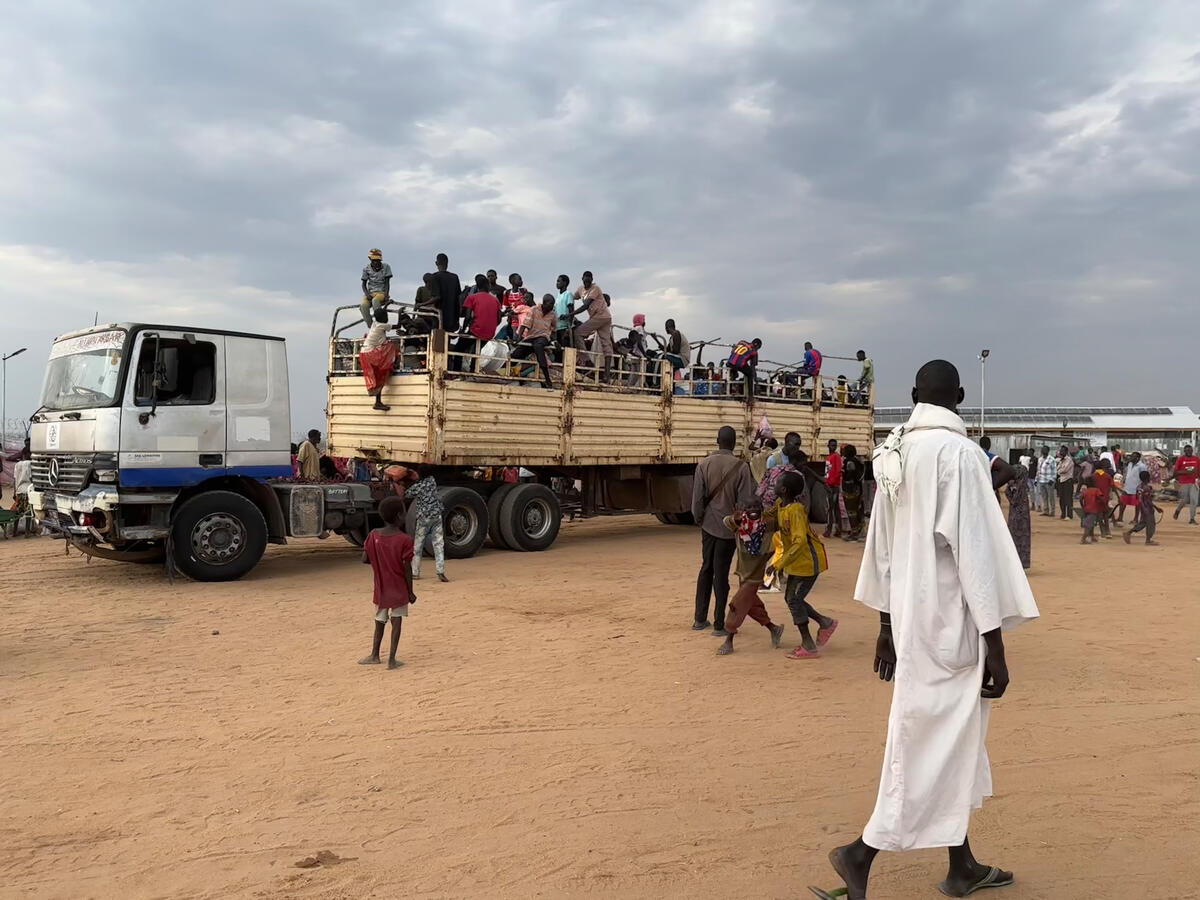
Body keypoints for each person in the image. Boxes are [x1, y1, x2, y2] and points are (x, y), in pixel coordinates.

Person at [817, 359, 1038, 900]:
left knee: (949, 738)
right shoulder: (960, 455)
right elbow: (976, 556)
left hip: (913, 622)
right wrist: (996, 645)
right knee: (927, 742)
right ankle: (859, 853)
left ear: (915, 394)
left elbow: (883, 548)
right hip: (952, 626)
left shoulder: (896, 451)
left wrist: (887, 627)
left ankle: (961, 866)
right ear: (959, 396)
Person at [691, 426, 754, 636]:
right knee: (722, 574)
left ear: (718, 440)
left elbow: (697, 499)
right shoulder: (741, 467)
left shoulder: (704, 464)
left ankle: (700, 618)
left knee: (706, 568)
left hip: (708, 525)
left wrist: (700, 518)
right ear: (734, 443)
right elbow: (745, 502)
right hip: (729, 529)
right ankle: (719, 624)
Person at [772, 471, 836, 659]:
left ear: (783, 489)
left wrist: (778, 564)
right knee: (792, 598)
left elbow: (799, 541)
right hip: (797, 563)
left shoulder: (796, 510)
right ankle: (825, 623)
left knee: (793, 600)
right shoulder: (780, 505)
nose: (773, 485)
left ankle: (808, 645)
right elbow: (767, 515)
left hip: (808, 563)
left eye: (776, 483)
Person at [716, 497, 785, 655]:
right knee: (751, 605)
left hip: (755, 575)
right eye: (749, 506)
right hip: (743, 573)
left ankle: (729, 640)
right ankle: (773, 629)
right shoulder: (740, 524)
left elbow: (782, 516)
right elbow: (726, 521)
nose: (753, 509)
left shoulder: (768, 523)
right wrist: (736, 517)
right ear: (743, 509)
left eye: (756, 506)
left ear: (762, 508)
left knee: (737, 605)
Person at [360, 496, 415, 669]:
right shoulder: (405, 540)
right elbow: (408, 569)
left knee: (379, 621)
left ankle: (375, 655)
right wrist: (410, 592)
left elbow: (365, 559)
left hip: (381, 588)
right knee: (396, 621)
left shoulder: (373, 535)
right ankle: (392, 659)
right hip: (398, 589)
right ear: (399, 515)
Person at [401, 468, 449, 581]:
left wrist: (402, 484)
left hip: (424, 518)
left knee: (418, 546)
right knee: (438, 544)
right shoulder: (432, 481)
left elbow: (406, 494)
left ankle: (415, 572)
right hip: (436, 516)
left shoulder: (419, 486)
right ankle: (440, 571)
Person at [567, 271, 614, 375]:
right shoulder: (580, 289)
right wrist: (564, 299)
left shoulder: (595, 288)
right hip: (603, 317)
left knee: (578, 333)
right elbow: (572, 297)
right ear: (582, 279)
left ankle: (587, 361)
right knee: (606, 345)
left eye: (589, 280)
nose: (587, 282)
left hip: (601, 316)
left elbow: (586, 305)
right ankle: (607, 376)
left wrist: (570, 314)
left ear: (592, 280)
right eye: (585, 280)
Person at [510, 294, 558, 389]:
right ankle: (504, 371)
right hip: (531, 336)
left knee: (538, 346)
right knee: (517, 353)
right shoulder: (534, 310)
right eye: (550, 304)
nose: (552, 306)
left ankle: (547, 378)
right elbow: (525, 324)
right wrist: (519, 338)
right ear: (544, 303)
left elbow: (554, 329)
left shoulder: (553, 314)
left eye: (553, 304)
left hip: (543, 337)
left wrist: (555, 341)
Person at [458, 274, 503, 370]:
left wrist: (464, 329)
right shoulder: (495, 300)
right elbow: (499, 318)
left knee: (459, 348)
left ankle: (455, 370)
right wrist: (492, 325)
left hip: (476, 330)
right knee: (476, 350)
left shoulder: (472, 297)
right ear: (488, 286)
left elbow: (467, 316)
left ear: (477, 286)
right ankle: (473, 370)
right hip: (490, 332)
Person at [359, 309, 396, 411]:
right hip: (370, 354)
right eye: (386, 316)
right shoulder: (381, 326)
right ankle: (391, 363)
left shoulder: (375, 324)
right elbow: (397, 325)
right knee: (390, 346)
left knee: (378, 376)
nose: (387, 318)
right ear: (384, 317)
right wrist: (401, 314)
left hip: (364, 354)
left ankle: (378, 402)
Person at [1123, 470, 1159, 546]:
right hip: (1147, 508)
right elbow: (1146, 500)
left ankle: (1128, 533)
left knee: (1143, 523)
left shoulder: (1139, 487)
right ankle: (1148, 540)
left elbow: (1140, 499)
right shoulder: (1147, 488)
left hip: (1143, 507)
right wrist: (1152, 507)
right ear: (1148, 478)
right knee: (1150, 524)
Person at [359, 248, 393, 328]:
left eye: (377, 260)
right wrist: (367, 294)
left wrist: (386, 295)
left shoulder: (386, 267)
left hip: (381, 292)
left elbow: (387, 283)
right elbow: (363, 284)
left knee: (375, 301)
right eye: (373, 260)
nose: (375, 262)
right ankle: (371, 326)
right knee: (363, 306)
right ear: (370, 260)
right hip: (370, 292)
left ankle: (380, 323)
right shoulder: (366, 269)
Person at [430, 252, 463, 335]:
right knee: (447, 341)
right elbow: (459, 296)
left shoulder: (434, 277)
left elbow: (436, 297)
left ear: (436, 263)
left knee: (437, 342)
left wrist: (421, 304)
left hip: (439, 318)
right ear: (447, 263)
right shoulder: (455, 277)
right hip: (452, 317)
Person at [841, 445, 866, 541]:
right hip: (858, 489)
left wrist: (847, 481)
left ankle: (854, 532)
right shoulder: (858, 461)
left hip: (851, 490)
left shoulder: (849, 462)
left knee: (851, 511)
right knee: (858, 509)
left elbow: (849, 474)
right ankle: (860, 531)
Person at [1116, 452, 1147, 526]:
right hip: (1127, 487)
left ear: (1137, 458)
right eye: (1131, 456)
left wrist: (1142, 487)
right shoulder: (1129, 464)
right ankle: (1120, 517)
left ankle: (1135, 519)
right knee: (1122, 502)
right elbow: (1127, 473)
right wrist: (1123, 481)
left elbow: (1144, 477)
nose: (1130, 458)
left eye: (1133, 457)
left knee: (1137, 504)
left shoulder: (1142, 466)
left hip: (1137, 487)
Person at [1172, 444, 1199, 524]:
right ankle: (1178, 510)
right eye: (1187, 450)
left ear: (1192, 451)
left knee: (1194, 500)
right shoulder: (1180, 459)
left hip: (1194, 482)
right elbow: (1176, 472)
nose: (1189, 452)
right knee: (1185, 499)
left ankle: (1192, 519)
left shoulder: (1196, 459)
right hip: (1184, 482)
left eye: (1190, 450)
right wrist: (1187, 472)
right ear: (1184, 451)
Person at [822, 439, 843, 538]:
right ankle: (838, 529)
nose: (833, 447)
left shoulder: (836, 457)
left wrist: (831, 483)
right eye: (831, 445)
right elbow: (827, 471)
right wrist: (826, 481)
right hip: (829, 485)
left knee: (831, 508)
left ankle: (829, 530)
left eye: (834, 445)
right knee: (834, 508)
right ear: (828, 446)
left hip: (833, 486)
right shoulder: (829, 457)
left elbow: (838, 471)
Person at [1093, 458, 1115, 539]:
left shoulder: (1094, 475)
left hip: (1097, 498)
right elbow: (1112, 486)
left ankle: (1102, 532)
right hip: (1105, 499)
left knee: (1099, 516)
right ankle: (1108, 531)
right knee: (1106, 516)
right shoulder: (1108, 476)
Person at [1080, 476, 1105, 544]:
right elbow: (1101, 498)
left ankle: (1092, 536)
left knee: (1090, 524)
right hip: (1093, 510)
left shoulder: (1085, 491)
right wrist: (1102, 502)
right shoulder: (1096, 490)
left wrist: (1083, 506)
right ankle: (1083, 539)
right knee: (1088, 525)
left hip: (1086, 509)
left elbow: (1080, 499)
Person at [1035, 446, 1057, 517]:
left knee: (1051, 497)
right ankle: (1046, 511)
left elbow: (1054, 470)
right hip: (1041, 480)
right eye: (1042, 449)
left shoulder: (1052, 459)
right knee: (1044, 497)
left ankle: (1052, 511)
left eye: (1044, 450)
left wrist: (1052, 479)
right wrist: (1036, 479)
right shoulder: (1040, 459)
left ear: (1048, 451)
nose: (1043, 451)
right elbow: (1038, 470)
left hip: (1049, 481)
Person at [1056, 445, 1075, 520]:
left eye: (1062, 451)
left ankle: (1069, 515)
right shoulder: (1061, 460)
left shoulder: (1069, 460)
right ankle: (1063, 514)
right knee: (1062, 499)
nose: (1061, 452)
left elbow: (1064, 470)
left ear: (1066, 452)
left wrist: (1059, 471)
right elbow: (1058, 469)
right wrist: (1059, 470)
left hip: (1068, 481)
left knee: (1068, 499)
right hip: (1061, 480)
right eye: (1060, 451)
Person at [554, 274, 574, 347]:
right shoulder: (558, 295)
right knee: (558, 349)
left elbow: (571, 311)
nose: (557, 283)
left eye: (559, 281)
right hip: (557, 326)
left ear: (565, 283)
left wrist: (569, 327)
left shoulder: (568, 294)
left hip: (565, 327)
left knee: (565, 348)